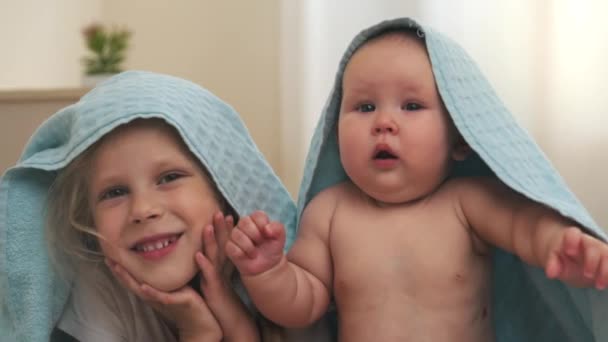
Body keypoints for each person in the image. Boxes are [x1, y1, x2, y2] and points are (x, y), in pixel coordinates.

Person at [225, 18, 608, 342]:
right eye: (365, 106)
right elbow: (303, 306)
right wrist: (270, 272)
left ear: (460, 138)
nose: (384, 123)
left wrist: (558, 242)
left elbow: (525, 226)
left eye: (411, 106)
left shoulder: (466, 203)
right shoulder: (329, 212)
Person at [0, 71, 329, 341]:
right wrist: (196, 331)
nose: (143, 209)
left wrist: (227, 307)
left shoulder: (265, 275)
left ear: (223, 187)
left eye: (169, 177)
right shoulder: (98, 290)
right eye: (114, 192)